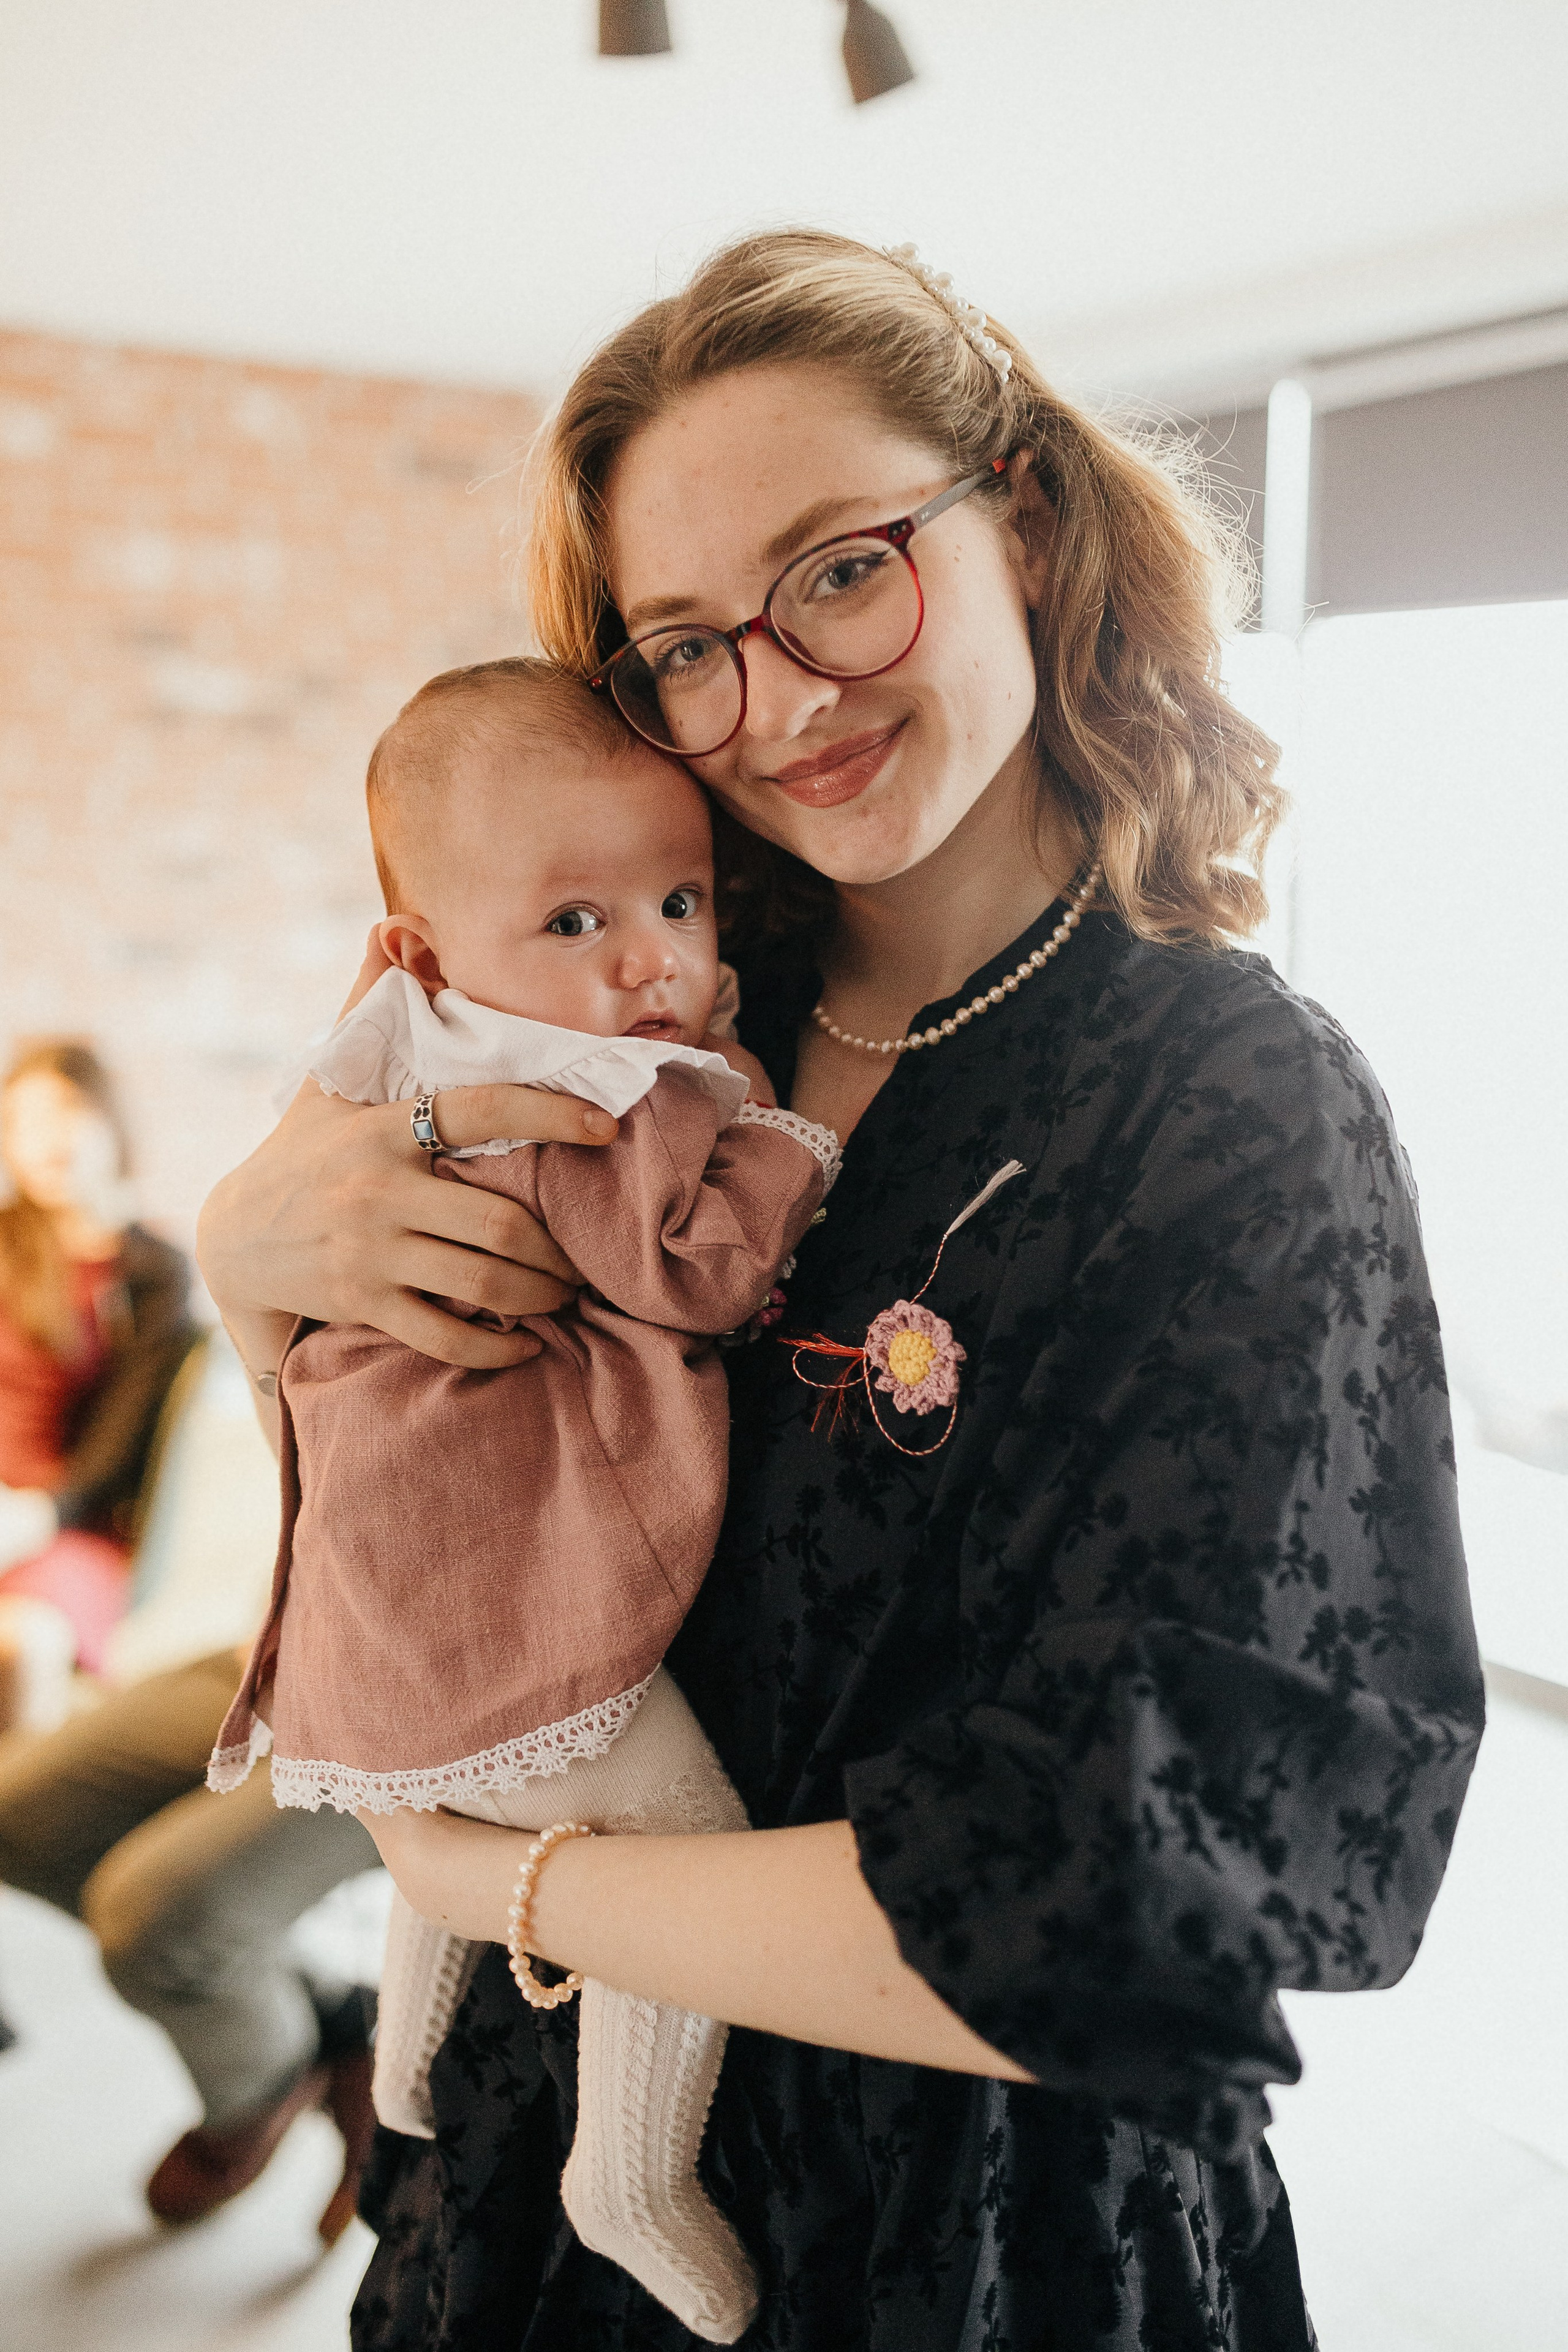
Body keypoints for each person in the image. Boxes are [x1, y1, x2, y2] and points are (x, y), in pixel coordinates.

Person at [197, 230, 1484, 2351]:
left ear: (1030, 523)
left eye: (841, 571)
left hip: (960, 2249)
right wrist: (245, 1270)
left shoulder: (1234, 1113)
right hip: (517, 2211)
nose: (776, 701)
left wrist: (500, 1886)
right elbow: (410, 1441)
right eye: (681, 644)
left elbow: (1159, 1894)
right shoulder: (657, 1011)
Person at [209, 657, 836, 2342]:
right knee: (678, 1846)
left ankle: (408, 2066)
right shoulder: (595, 1094)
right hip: (513, 1587)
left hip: (377, 1588)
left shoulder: (374, 1067)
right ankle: (630, 2170)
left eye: (679, 897)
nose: (649, 958)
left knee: (468, 1833)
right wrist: (776, 1134)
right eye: (575, 921)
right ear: (426, 949)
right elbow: (698, 1276)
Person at [0, 1643, 381, 2241]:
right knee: (14, 1820)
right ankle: (336, 2011)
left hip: (416, 1724)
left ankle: (262, 2089)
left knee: (154, 1931)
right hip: (276, 1651)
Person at [0, 1039, 197, 1733]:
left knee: (25, 1644)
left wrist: (35, 1518)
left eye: (62, 1111)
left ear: (109, 1118)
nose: (44, 1139)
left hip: (67, 1524)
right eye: (19, 1122)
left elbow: (122, 1444)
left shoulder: (152, 1273)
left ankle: (23, 1829)